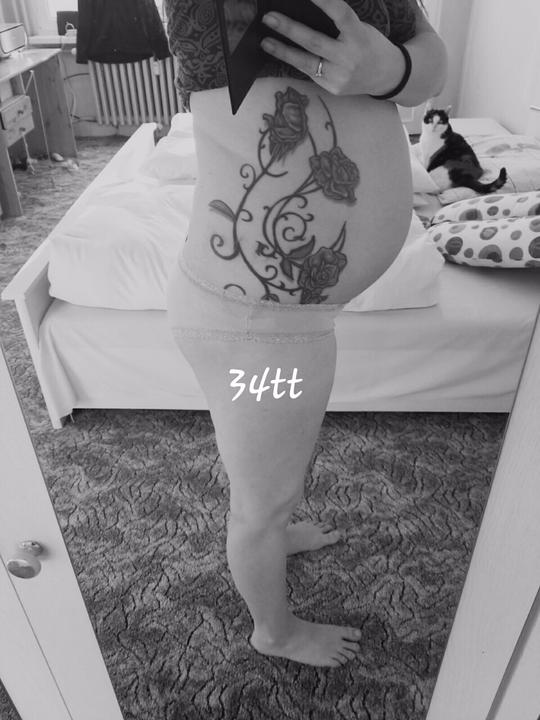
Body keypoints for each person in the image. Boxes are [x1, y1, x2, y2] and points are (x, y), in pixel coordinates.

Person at [164, 0, 447, 667]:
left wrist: (393, 67)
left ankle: (278, 526)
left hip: (281, 326)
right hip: (257, 333)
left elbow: (429, 56)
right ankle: (276, 631)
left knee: (277, 464)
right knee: (262, 500)